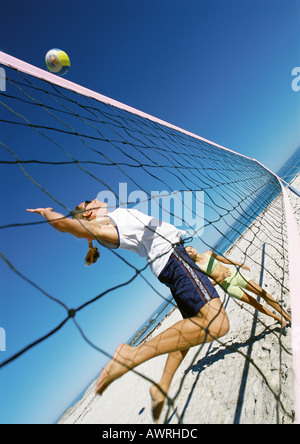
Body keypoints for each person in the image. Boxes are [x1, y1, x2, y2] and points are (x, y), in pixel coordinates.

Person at [27, 199, 230, 419]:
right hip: (174, 259)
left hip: (168, 266)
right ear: (87, 214)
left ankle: (162, 385)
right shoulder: (102, 226)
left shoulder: (111, 221)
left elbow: (83, 228)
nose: (95, 199)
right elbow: (72, 227)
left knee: (189, 333)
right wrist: (48, 213)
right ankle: (131, 355)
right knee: (217, 324)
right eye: (88, 202)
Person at [185, 246, 291, 327]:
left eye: (191, 248)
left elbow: (225, 260)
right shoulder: (197, 268)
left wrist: (240, 264)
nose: (191, 251)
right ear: (188, 256)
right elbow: (207, 285)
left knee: (261, 292)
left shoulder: (208, 253)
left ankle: (286, 316)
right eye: (188, 252)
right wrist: (221, 277)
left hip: (235, 275)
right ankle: (278, 318)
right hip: (228, 286)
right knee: (253, 302)